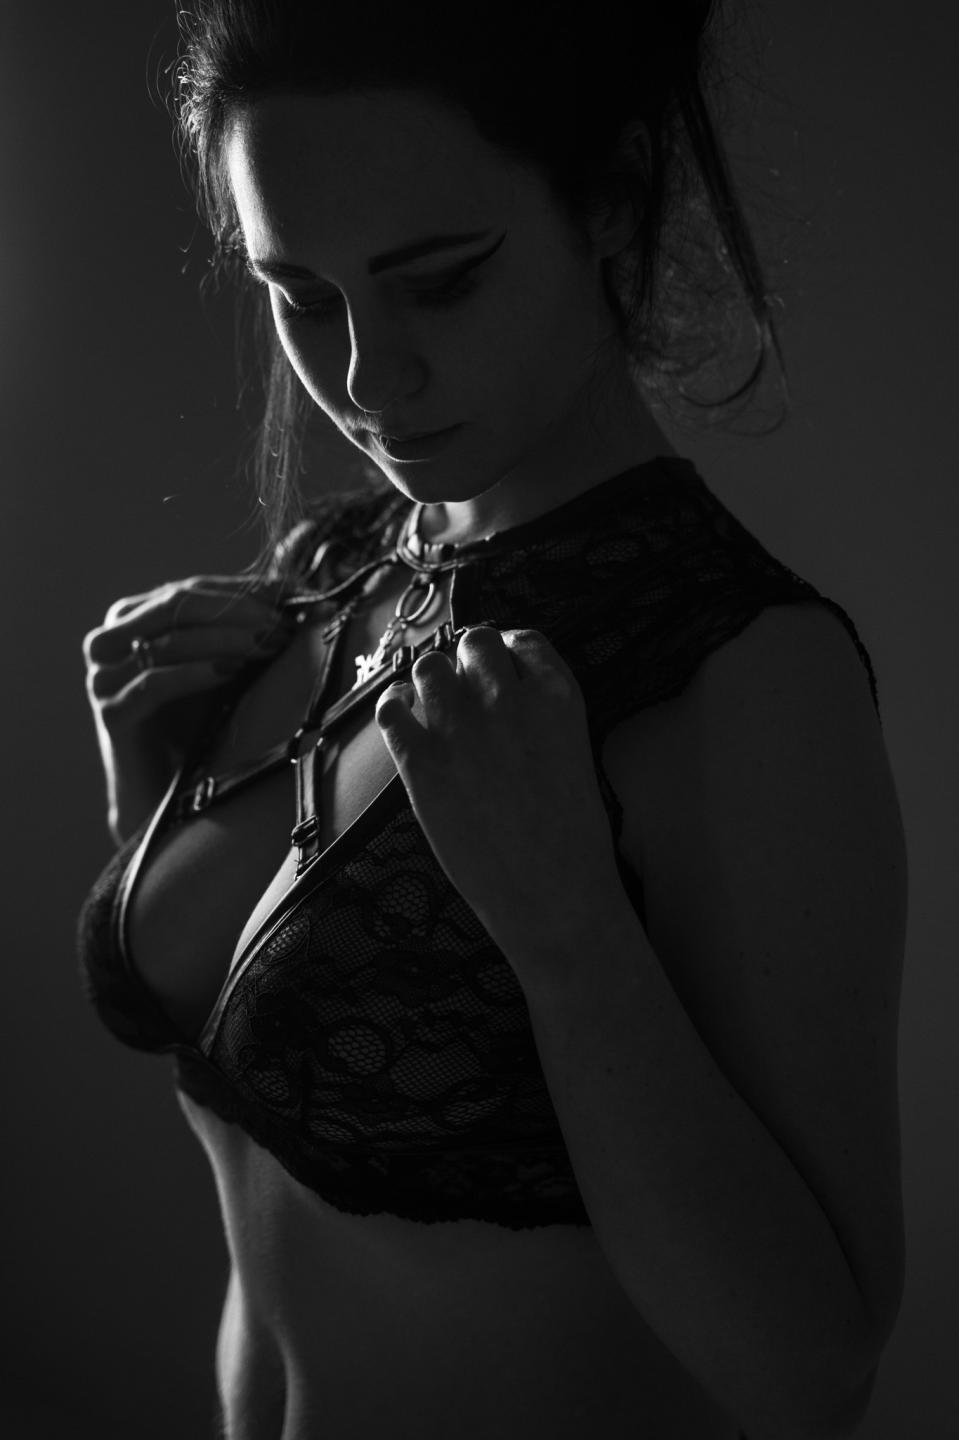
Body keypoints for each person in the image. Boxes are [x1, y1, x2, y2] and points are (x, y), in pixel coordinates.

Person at [77, 3, 908, 1437]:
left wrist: (570, 934)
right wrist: (153, 800)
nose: (365, 378)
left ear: (612, 199)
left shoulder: (739, 671)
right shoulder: (340, 567)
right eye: (300, 296)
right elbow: (260, 1064)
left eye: (443, 283)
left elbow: (811, 1373)